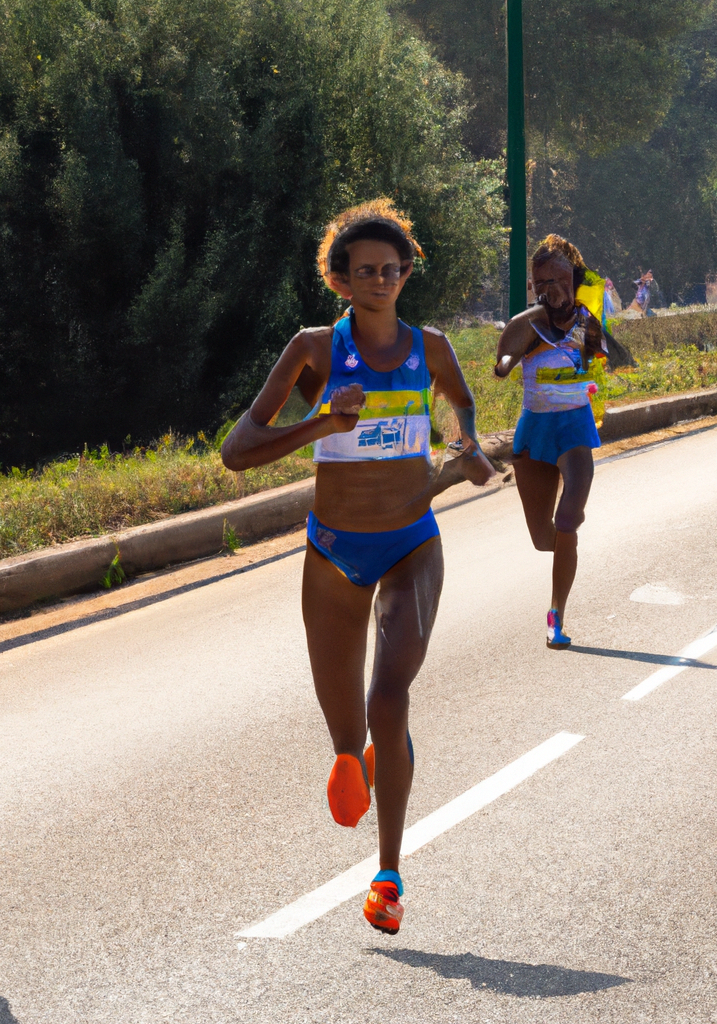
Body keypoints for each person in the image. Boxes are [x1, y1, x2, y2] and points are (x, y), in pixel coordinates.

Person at [221, 199, 494, 934]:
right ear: (340, 280)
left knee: (389, 698)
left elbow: (460, 404)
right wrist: (322, 424)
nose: (380, 279)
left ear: (407, 274)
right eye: (364, 270)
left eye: (392, 268)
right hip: (333, 551)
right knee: (348, 737)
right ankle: (351, 757)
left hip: (411, 541)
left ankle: (387, 876)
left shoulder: (429, 347)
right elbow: (237, 451)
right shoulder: (312, 350)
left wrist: (464, 445)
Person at [494, 234, 605, 648]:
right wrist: (506, 363)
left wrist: (592, 386)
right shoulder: (525, 324)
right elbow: (503, 359)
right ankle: (563, 538)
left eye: (559, 278)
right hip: (535, 431)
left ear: (573, 278)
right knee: (545, 538)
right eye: (541, 281)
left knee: (567, 519)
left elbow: (598, 359)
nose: (549, 289)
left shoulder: (587, 320)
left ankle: (556, 615)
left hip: (575, 429)